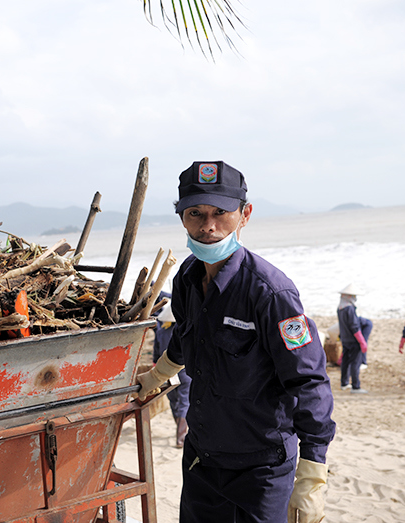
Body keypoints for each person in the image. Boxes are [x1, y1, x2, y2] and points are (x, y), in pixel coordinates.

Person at [135, 161, 335, 523]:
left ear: (245, 215)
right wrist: (157, 374)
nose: (208, 226)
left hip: (262, 469)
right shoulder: (186, 279)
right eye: (195, 213)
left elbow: (309, 379)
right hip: (202, 459)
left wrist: (313, 475)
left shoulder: (271, 293)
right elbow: (186, 336)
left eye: (220, 213)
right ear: (181, 217)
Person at [152, 299, 190, 448]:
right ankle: (181, 437)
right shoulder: (185, 330)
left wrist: (156, 367)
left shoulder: (162, 330)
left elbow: (156, 352)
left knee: (173, 399)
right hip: (184, 371)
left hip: (167, 372)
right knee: (183, 401)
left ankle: (180, 431)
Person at [336, 283, 372, 393]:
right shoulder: (350, 309)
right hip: (353, 340)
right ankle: (355, 386)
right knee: (355, 363)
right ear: (349, 296)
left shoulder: (340, 308)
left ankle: (344, 383)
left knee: (345, 361)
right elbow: (354, 326)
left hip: (345, 339)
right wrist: (362, 341)